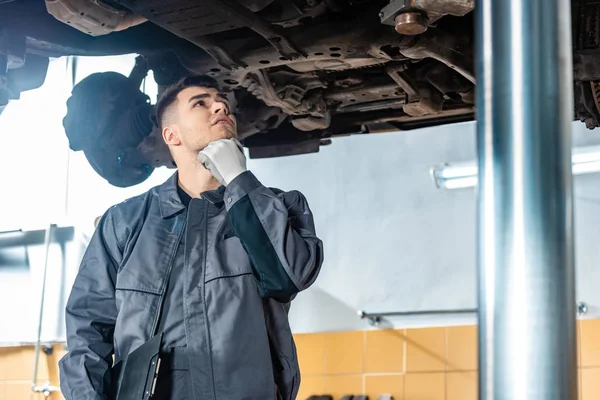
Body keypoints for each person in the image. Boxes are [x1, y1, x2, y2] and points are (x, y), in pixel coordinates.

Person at [58, 75, 324, 400]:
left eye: (222, 100)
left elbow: (287, 277)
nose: (220, 105)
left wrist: (239, 179)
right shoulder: (125, 222)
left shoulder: (281, 206)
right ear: (171, 135)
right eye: (201, 102)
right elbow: (88, 327)